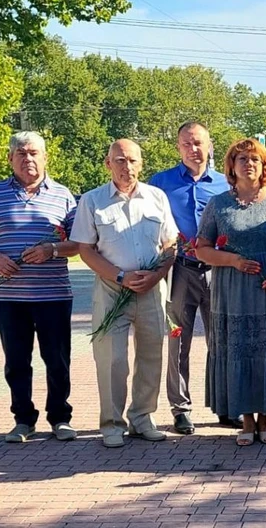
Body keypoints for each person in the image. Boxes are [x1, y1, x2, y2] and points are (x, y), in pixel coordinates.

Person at [0, 132, 80, 443]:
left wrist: (52, 250)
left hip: (54, 295)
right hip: (11, 296)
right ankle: (23, 420)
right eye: (20, 153)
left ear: (45, 158)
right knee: (16, 360)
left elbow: (78, 244)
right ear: (10, 159)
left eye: (34, 153)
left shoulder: (63, 195)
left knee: (57, 359)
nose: (27, 158)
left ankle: (60, 418)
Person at [71, 140, 178, 448]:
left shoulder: (156, 197)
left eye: (132, 160)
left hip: (151, 288)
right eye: (119, 160)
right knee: (113, 360)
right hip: (111, 288)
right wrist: (120, 276)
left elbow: (171, 245)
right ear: (108, 164)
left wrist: (156, 275)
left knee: (151, 357)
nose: (126, 166)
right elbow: (85, 250)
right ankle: (112, 423)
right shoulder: (92, 201)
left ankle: (142, 418)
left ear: (141, 164)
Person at [194, 138, 266, 446]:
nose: (249, 164)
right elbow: (201, 249)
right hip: (232, 291)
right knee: (238, 350)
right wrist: (233, 260)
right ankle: (246, 420)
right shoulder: (218, 204)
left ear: (264, 165)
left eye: (255, 159)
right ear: (231, 166)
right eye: (242, 159)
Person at [148, 121, 235, 435]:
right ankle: (180, 409)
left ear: (210, 145)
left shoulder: (227, 183)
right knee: (178, 342)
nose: (193, 149)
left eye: (199, 143)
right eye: (187, 143)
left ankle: (226, 405)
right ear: (178, 147)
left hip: (219, 273)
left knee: (222, 340)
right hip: (180, 269)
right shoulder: (160, 183)